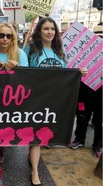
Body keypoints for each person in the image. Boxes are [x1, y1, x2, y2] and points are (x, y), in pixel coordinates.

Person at [23, 17, 88, 186]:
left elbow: (64, 75)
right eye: (46, 28)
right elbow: (24, 74)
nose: (50, 32)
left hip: (54, 101)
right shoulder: (31, 50)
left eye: (52, 28)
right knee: (35, 135)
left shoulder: (59, 51)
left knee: (43, 134)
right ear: (39, 31)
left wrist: (77, 72)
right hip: (35, 100)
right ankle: (35, 171)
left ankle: (32, 156)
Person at [0, 22, 28, 186]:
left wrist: (17, 66)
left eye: (8, 36)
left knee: (6, 134)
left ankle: (2, 151)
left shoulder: (20, 54)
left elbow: (28, 79)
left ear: (13, 39)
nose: (5, 38)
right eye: (1, 35)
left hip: (13, 102)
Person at [69, 24, 102, 158]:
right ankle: (79, 139)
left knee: (100, 120)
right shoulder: (84, 50)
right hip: (84, 91)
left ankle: (98, 145)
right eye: (98, 37)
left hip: (101, 93)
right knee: (82, 117)